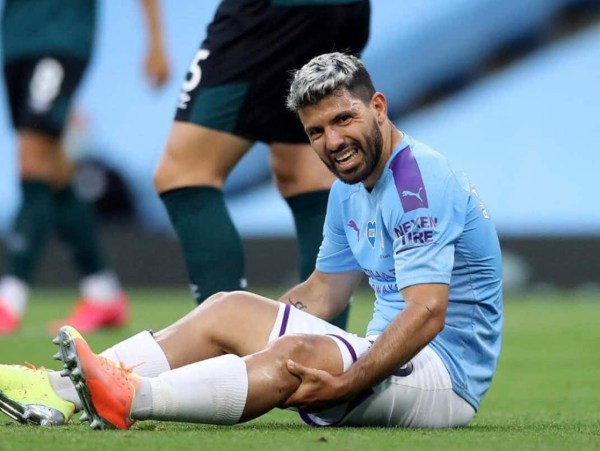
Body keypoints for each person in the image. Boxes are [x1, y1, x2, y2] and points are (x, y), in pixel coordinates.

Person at [0, 52, 502, 429]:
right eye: (316, 132)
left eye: (343, 119)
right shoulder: (350, 189)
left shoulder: (417, 183)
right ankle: (60, 389)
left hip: (444, 376)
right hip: (388, 354)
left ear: (378, 107)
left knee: (297, 353)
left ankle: (131, 397)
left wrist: (350, 380)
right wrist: (249, 331)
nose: (333, 142)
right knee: (229, 307)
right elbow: (325, 291)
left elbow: (427, 312)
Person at [153, 0, 370, 329]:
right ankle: (323, 349)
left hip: (267, 12)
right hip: (346, 8)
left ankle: (232, 342)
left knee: (183, 176)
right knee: (305, 175)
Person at [0, 0, 170, 334]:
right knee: (55, 170)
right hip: (17, 41)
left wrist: (155, 41)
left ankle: (9, 298)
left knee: (32, 156)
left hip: (60, 38)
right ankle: (103, 294)